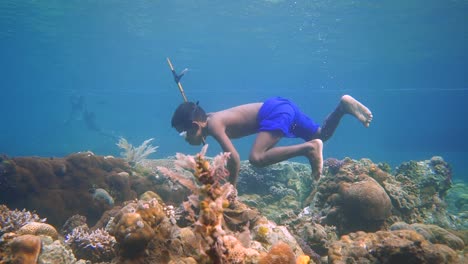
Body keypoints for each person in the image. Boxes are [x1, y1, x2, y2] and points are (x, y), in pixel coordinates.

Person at [171, 95, 373, 186]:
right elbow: (200, 118)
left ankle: (309, 149)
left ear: (196, 126)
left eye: (183, 134)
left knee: (257, 158)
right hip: (282, 106)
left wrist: (231, 188)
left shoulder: (213, 125)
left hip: (274, 112)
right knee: (322, 134)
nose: (185, 140)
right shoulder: (210, 120)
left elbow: (235, 159)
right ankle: (343, 107)